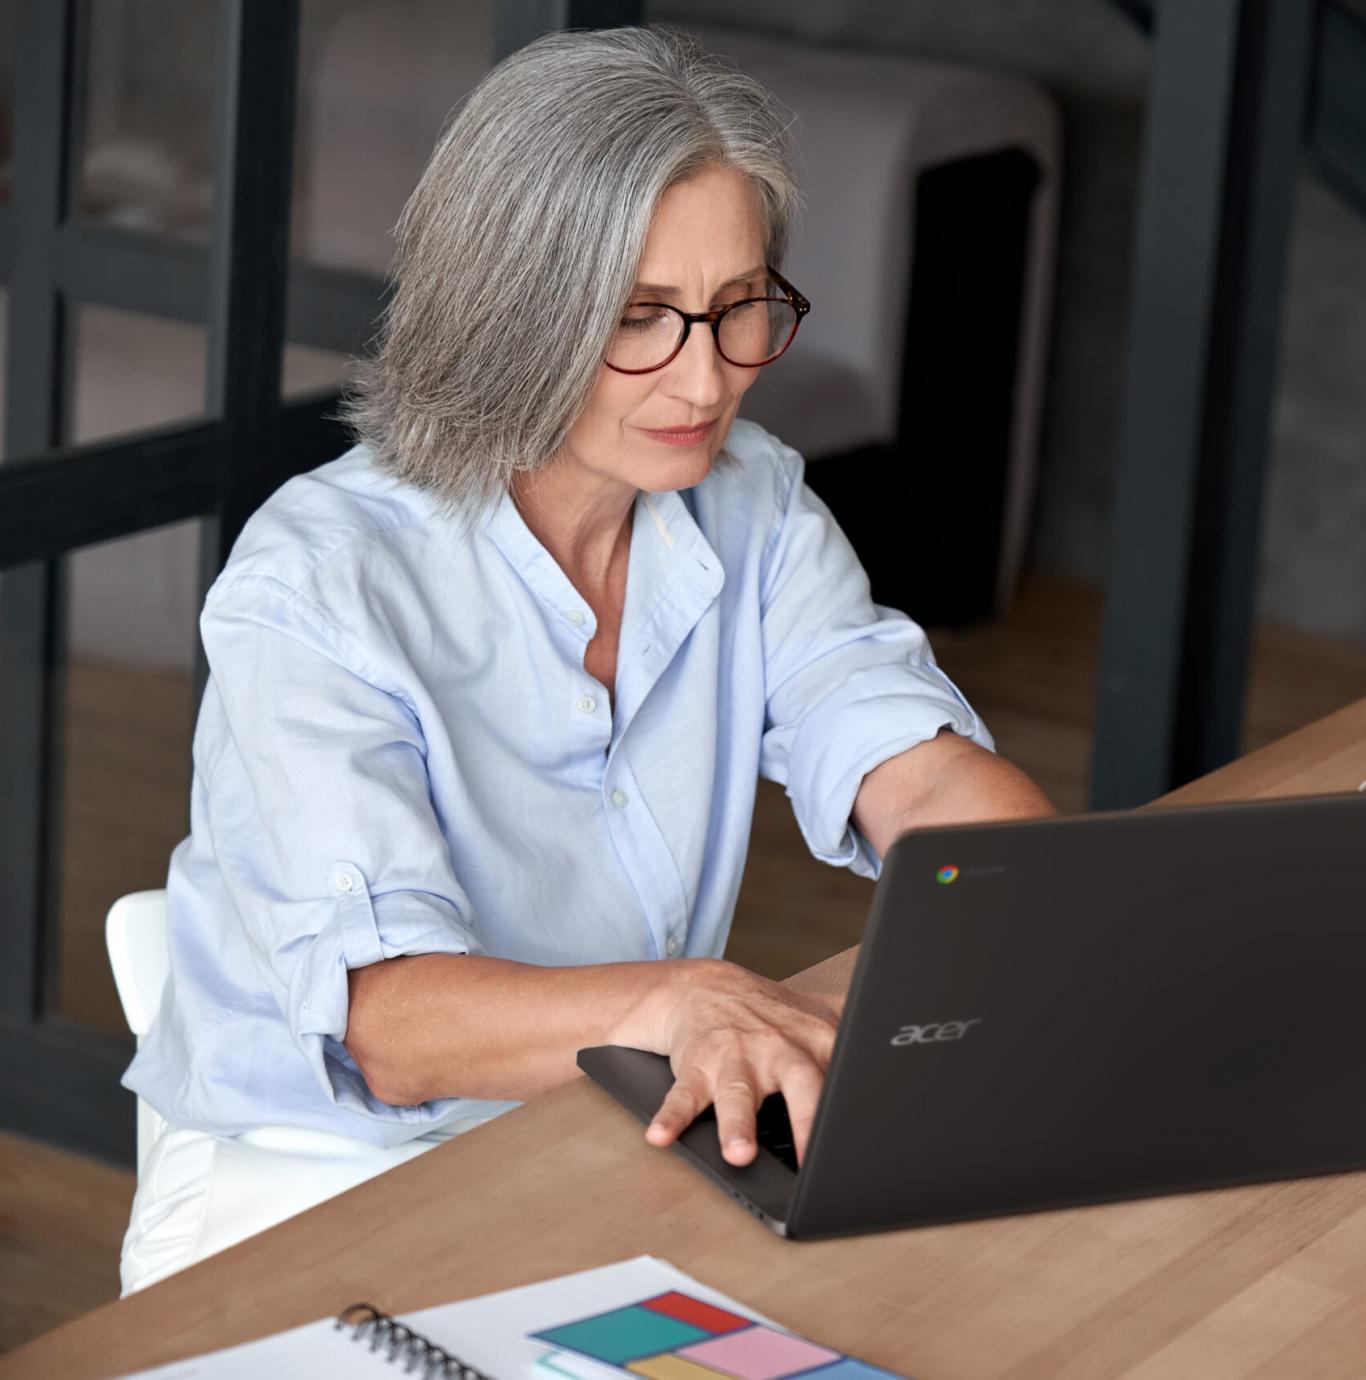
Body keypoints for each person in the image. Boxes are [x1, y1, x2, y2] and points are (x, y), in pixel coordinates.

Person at [118, 24, 1055, 1292]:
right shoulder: (320, 584)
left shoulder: (752, 503)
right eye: (641, 320)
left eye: (739, 310)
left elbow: (913, 767)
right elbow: (393, 1029)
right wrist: (684, 1001)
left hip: (607, 1124)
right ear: (513, 312)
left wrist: (1041, 909)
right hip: (322, 1173)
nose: (709, 376)